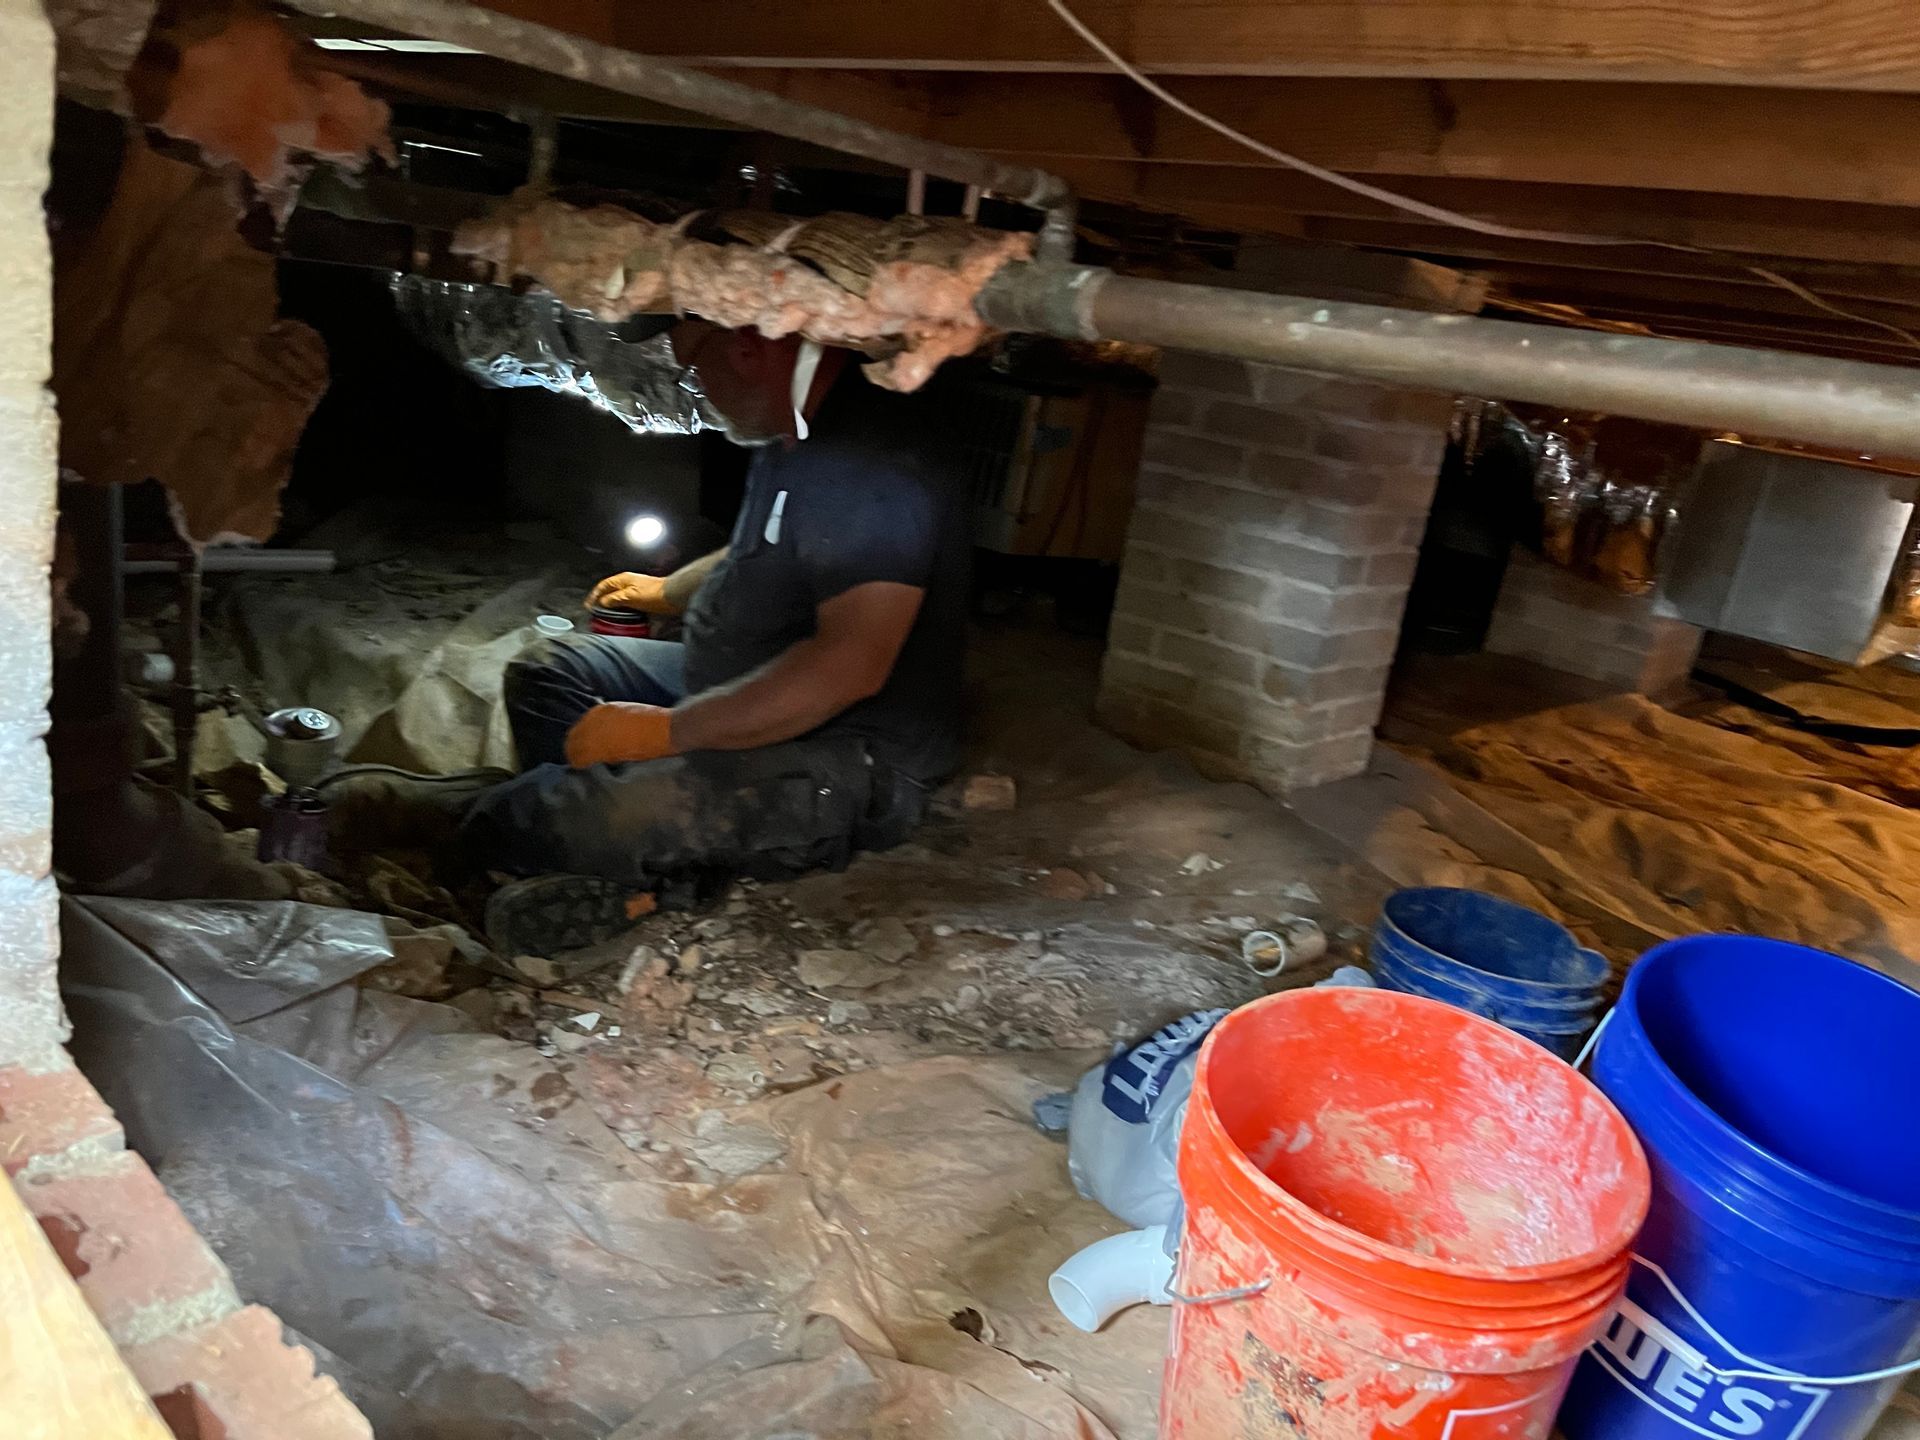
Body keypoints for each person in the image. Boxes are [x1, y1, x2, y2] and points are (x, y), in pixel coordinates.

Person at [425, 320, 969, 935]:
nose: (695, 384)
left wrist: (669, 732)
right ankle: (591, 838)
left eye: (694, 365)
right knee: (547, 672)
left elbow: (850, 663)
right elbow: (770, 549)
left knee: (528, 819)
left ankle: (602, 850)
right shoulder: (795, 423)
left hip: (844, 756)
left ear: (747, 351)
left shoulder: (871, 457)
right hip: (752, 679)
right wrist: (667, 591)